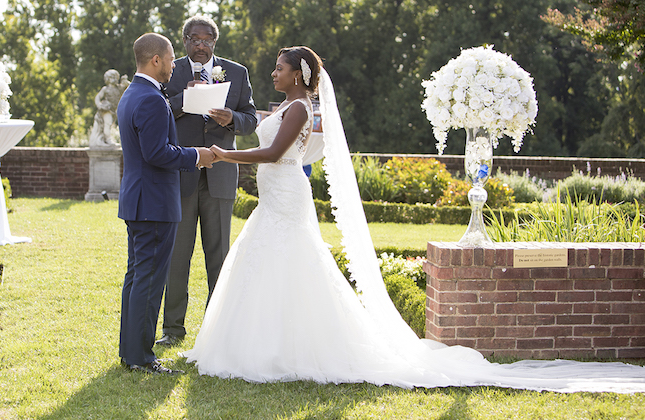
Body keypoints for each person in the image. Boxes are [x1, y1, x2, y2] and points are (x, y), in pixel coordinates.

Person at [184, 46, 645, 393]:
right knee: (266, 264)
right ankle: (264, 343)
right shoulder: (288, 106)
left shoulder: (302, 107)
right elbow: (270, 135)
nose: (273, 71)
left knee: (291, 263)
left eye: (280, 67)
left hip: (285, 194)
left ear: (299, 74)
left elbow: (274, 152)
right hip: (275, 197)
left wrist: (224, 154)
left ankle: (288, 348)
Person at [116, 33, 214, 375]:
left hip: (139, 199)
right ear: (155, 59)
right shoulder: (152, 100)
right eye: (171, 58)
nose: (175, 65)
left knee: (137, 277)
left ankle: (130, 350)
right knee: (149, 279)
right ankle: (141, 357)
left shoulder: (133, 94)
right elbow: (157, 153)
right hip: (154, 202)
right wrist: (197, 155)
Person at [158, 15, 257, 347]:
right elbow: (158, 111)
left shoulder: (237, 72)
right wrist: (183, 101)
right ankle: (173, 330)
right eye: (194, 39)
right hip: (181, 174)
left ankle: (219, 330)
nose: (201, 45)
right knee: (177, 256)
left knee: (219, 256)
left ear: (215, 42)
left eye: (207, 39)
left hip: (220, 175)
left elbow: (251, 119)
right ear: (184, 40)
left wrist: (233, 119)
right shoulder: (171, 72)